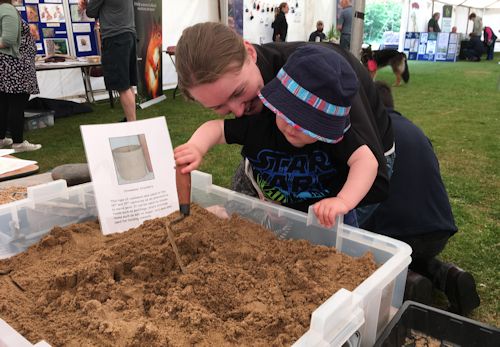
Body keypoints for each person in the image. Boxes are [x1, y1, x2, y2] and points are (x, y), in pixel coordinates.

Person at [174, 22, 395, 226]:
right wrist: (196, 146)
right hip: (286, 157)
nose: (239, 112)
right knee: (244, 212)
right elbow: (219, 130)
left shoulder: (321, 78)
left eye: (239, 92)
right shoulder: (261, 123)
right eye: (219, 107)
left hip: (358, 166)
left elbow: (369, 168)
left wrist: (331, 203)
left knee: (307, 227)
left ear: (250, 53)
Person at [366, 81, 480, 316]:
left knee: (364, 247)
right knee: (413, 253)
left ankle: (406, 282)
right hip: (438, 231)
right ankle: (449, 275)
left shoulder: (369, 135)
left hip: (395, 234)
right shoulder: (414, 129)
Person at [0, 0, 41, 152]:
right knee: (16, 103)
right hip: (15, 66)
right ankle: (18, 143)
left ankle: (2, 139)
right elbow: (8, 40)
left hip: (7, 65)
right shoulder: (7, 9)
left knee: (4, 103)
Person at [86, 0, 137, 122]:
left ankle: (133, 125)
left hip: (115, 37)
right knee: (127, 84)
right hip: (128, 35)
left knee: (123, 86)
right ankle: (132, 121)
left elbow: (90, 11)